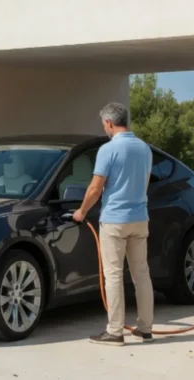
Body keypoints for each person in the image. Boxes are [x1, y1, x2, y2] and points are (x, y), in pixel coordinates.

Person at [72, 102, 154, 346]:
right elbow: (145, 181)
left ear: (109, 122)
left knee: (114, 276)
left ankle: (115, 331)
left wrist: (81, 211)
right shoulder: (145, 149)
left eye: (104, 124)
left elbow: (96, 188)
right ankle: (145, 329)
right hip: (140, 218)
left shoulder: (108, 150)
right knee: (142, 274)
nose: (104, 128)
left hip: (115, 220)